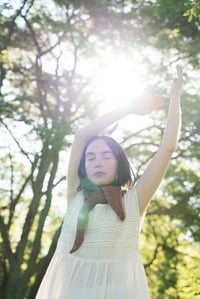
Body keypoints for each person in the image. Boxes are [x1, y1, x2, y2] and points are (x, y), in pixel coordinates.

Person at [36, 65, 183, 299]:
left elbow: (167, 149)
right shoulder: (76, 195)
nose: (97, 162)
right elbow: (81, 136)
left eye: (106, 156)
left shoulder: (135, 200)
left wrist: (175, 97)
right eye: (91, 157)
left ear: (119, 163)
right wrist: (128, 108)